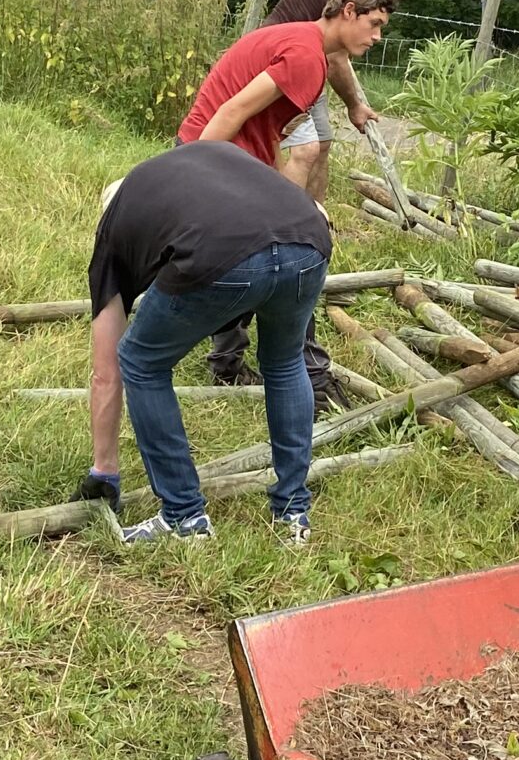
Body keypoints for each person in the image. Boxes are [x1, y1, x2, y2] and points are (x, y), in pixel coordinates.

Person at [79, 143, 333, 546]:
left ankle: (184, 516)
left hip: (224, 253)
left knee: (140, 361)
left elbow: (106, 372)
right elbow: (306, 208)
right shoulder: (202, 161)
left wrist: (104, 471)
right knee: (285, 363)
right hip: (308, 239)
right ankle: (292, 511)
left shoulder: (115, 229)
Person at [178, 0, 394, 400]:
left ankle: (228, 362)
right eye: (375, 25)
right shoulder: (305, 56)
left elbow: (267, 131)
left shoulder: (306, 46)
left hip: (230, 157)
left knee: (246, 255)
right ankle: (310, 380)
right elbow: (231, 110)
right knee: (298, 252)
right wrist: (195, 169)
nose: (377, 37)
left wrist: (280, 189)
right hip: (212, 155)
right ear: (348, 11)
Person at [263, 0, 426, 199]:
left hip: (306, 65)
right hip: (278, 64)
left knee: (321, 144)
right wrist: (354, 106)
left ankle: (314, 221)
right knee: (300, 149)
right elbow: (337, 60)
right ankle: (286, 221)